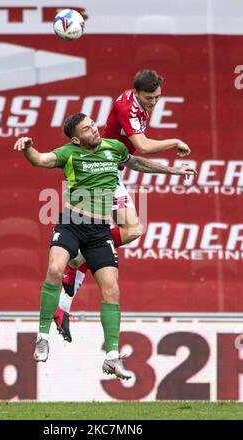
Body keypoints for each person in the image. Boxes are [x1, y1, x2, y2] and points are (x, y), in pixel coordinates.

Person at [14, 113, 196, 380]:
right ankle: (42, 336)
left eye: (93, 125)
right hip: (71, 223)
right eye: (87, 130)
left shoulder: (115, 148)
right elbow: (41, 160)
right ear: (77, 139)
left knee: (111, 290)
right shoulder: (68, 153)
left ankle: (112, 358)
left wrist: (173, 170)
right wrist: (29, 147)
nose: (94, 131)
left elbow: (138, 163)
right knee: (54, 269)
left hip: (99, 232)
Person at [54, 70, 192, 342]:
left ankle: (75, 269)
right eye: (150, 98)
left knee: (132, 230)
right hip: (102, 172)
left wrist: (174, 170)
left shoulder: (138, 101)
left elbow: (134, 154)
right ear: (138, 93)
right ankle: (75, 266)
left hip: (113, 170)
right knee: (131, 230)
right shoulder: (128, 106)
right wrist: (175, 142)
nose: (154, 102)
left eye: (158, 98)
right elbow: (142, 146)